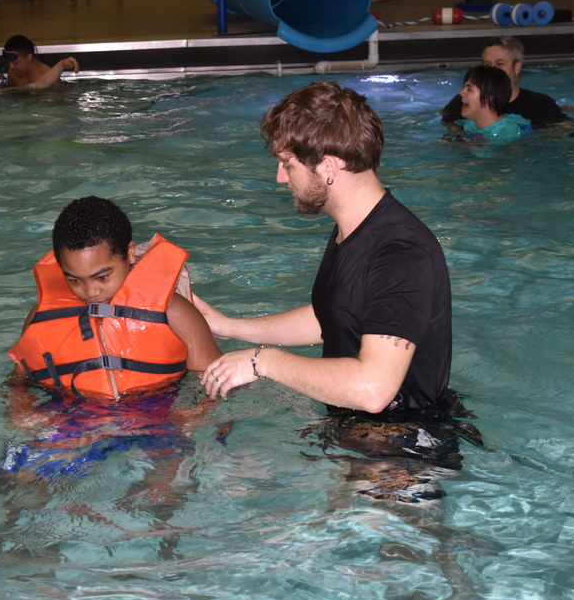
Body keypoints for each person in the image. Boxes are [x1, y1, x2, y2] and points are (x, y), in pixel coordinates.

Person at [197, 81, 461, 422]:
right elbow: (337, 315)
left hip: (404, 454)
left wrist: (262, 361)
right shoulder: (353, 230)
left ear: (328, 168)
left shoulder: (401, 252)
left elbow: (374, 389)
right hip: (360, 435)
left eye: (287, 165)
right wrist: (230, 326)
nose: (280, 177)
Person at [9, 195, 221, 399]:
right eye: (74, 280)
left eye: (102, 277)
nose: (91, 291)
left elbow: (216, 382)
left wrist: (193, 416)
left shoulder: (174, 313)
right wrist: (21, 414)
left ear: (129, 253)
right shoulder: (40, 318)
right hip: (72, 420)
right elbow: (18, 383)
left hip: (156, 418)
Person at [441, 36, 572, 127]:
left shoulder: (541, 105)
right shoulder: (463, 102)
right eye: (487, 65)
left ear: (517, 67)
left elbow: (564, 131)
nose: (492, 70)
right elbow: (448, 127)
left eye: (499, 64)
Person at [455, 65, 530, 143]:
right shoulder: (471, 123)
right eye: (464, 87)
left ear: (490, 97)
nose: (461, 92)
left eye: (469, 89)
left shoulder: (508, 131)